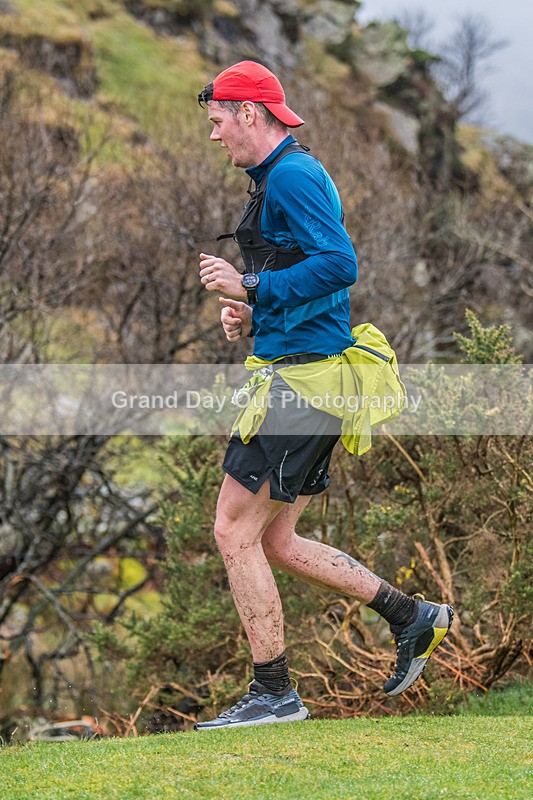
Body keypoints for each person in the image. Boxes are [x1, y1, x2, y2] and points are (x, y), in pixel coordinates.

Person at [194, 60, 453, 730]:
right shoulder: (277, 179)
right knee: (276, 540)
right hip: (303, 367)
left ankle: (273, 693)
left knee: (231, 528)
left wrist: (249, 288)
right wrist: (255, 312)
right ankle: (412, 616)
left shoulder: (293, 175)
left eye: (218, 120)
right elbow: (314, 281)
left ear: (249, 111)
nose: (215, 134)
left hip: (300, 382)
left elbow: (340, 265)